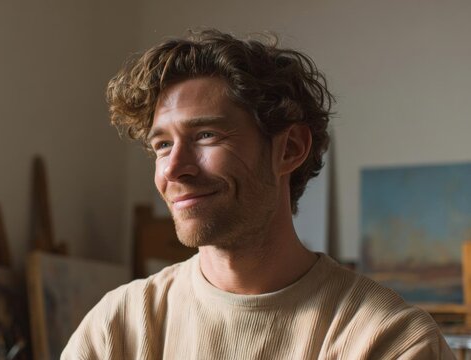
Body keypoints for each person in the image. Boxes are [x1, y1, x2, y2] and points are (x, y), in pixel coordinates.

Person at [62, 29, 454, 359]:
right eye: (162, 145)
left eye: (206, 135)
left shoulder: (388, 340)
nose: (172, 168)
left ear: (290, 149)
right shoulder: (117, 328)